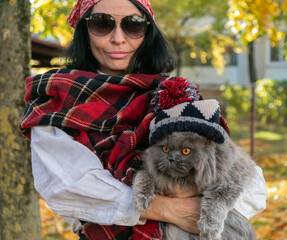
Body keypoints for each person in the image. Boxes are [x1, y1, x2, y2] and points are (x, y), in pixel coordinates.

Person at [20, 0, 268, 239]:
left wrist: (211, 209)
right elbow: (67, 187)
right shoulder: (55, 98)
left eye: (133, 24)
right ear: (84, 30)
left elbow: (251, 186)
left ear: (148, 33)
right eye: (102, 23)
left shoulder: (175, 94)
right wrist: (170, 209)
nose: (118, 38)